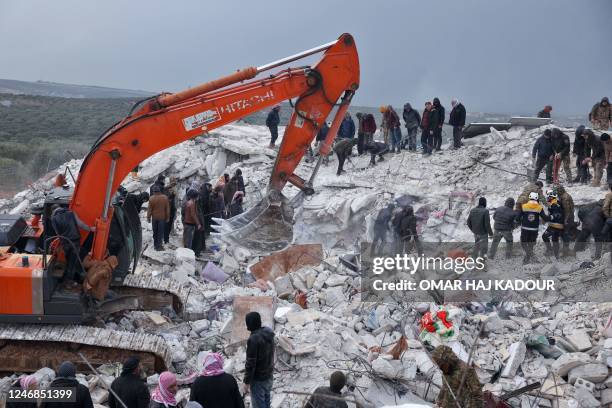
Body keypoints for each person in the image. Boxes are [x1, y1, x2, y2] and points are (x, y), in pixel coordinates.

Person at [51, 205, 94, 282]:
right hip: (75, 241)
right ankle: (70, 279)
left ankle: (68, 279)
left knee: (69, 261)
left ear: (53, 211)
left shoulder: (54, 219)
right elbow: (81, 224)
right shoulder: (71, 213)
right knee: (73, 262)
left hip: (66, 243)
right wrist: (91, 229)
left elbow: (57, 233)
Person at [244, 311, 275, 408]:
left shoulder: (253, 339)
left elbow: (251, 363)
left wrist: (246, 382)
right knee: (266, 402)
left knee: (259, 405)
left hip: (258, 379)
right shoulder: (268, 333)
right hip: (269, 375)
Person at [519, 191, 549, 264]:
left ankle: (528, 257)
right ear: (537, 198)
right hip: (534, 230)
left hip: (525, 229)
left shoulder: (524, 206)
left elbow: (518, 217)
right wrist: (551, 217)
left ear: (529, 198)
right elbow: (545, 218)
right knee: (531, 244)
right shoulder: (539, 207)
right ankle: (529, 257)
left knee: (523, 243)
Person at [542, 191, 571, 258]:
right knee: (552, 239)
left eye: (548, 197)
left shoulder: (555, 205)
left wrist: (549, 217)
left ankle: (555, 254)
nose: (547, 198)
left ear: (552, 197)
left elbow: (557, 215)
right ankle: (555, 253)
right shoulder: (554, 203)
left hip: (557, 226)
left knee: (551, 239)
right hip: (554, 225)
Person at [147, 185, 170, 251]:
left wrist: (148, 217)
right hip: (162, 218)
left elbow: (149, 210)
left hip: (154, 218)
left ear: (154, 191)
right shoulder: (165, 198)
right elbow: (167, 209)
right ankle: (159, 246)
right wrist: (168, 217)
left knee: (155, 232)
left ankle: (155, 245)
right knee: (160, 232)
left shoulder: (151, 198)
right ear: (159, 191)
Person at [163, 178, 177, 245]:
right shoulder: (166, 191)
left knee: (169, 226)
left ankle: (167, 239)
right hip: (168, 213)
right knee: (167, 226)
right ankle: (166, 240)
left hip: (172, 212)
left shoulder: (172, 192)